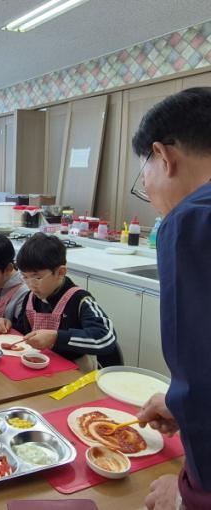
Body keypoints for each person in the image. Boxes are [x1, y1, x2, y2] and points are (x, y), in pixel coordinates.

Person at [129, 88, 211, 510]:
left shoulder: (192, 219)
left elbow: (201, 377)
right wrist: (181, 405)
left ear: (162, 155)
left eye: (143, 176)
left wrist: (188, 494)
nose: (148, 190)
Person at [0, 233, 118, 372]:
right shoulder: (31, 298)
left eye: (37, 278)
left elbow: (106, 337)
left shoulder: (80, 300)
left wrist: (56, 337)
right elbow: (24, 330)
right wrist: (8, 324)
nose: (30, 285)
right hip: (42, 367)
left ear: (60, 272)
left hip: (75, 373)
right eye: (25, 277)